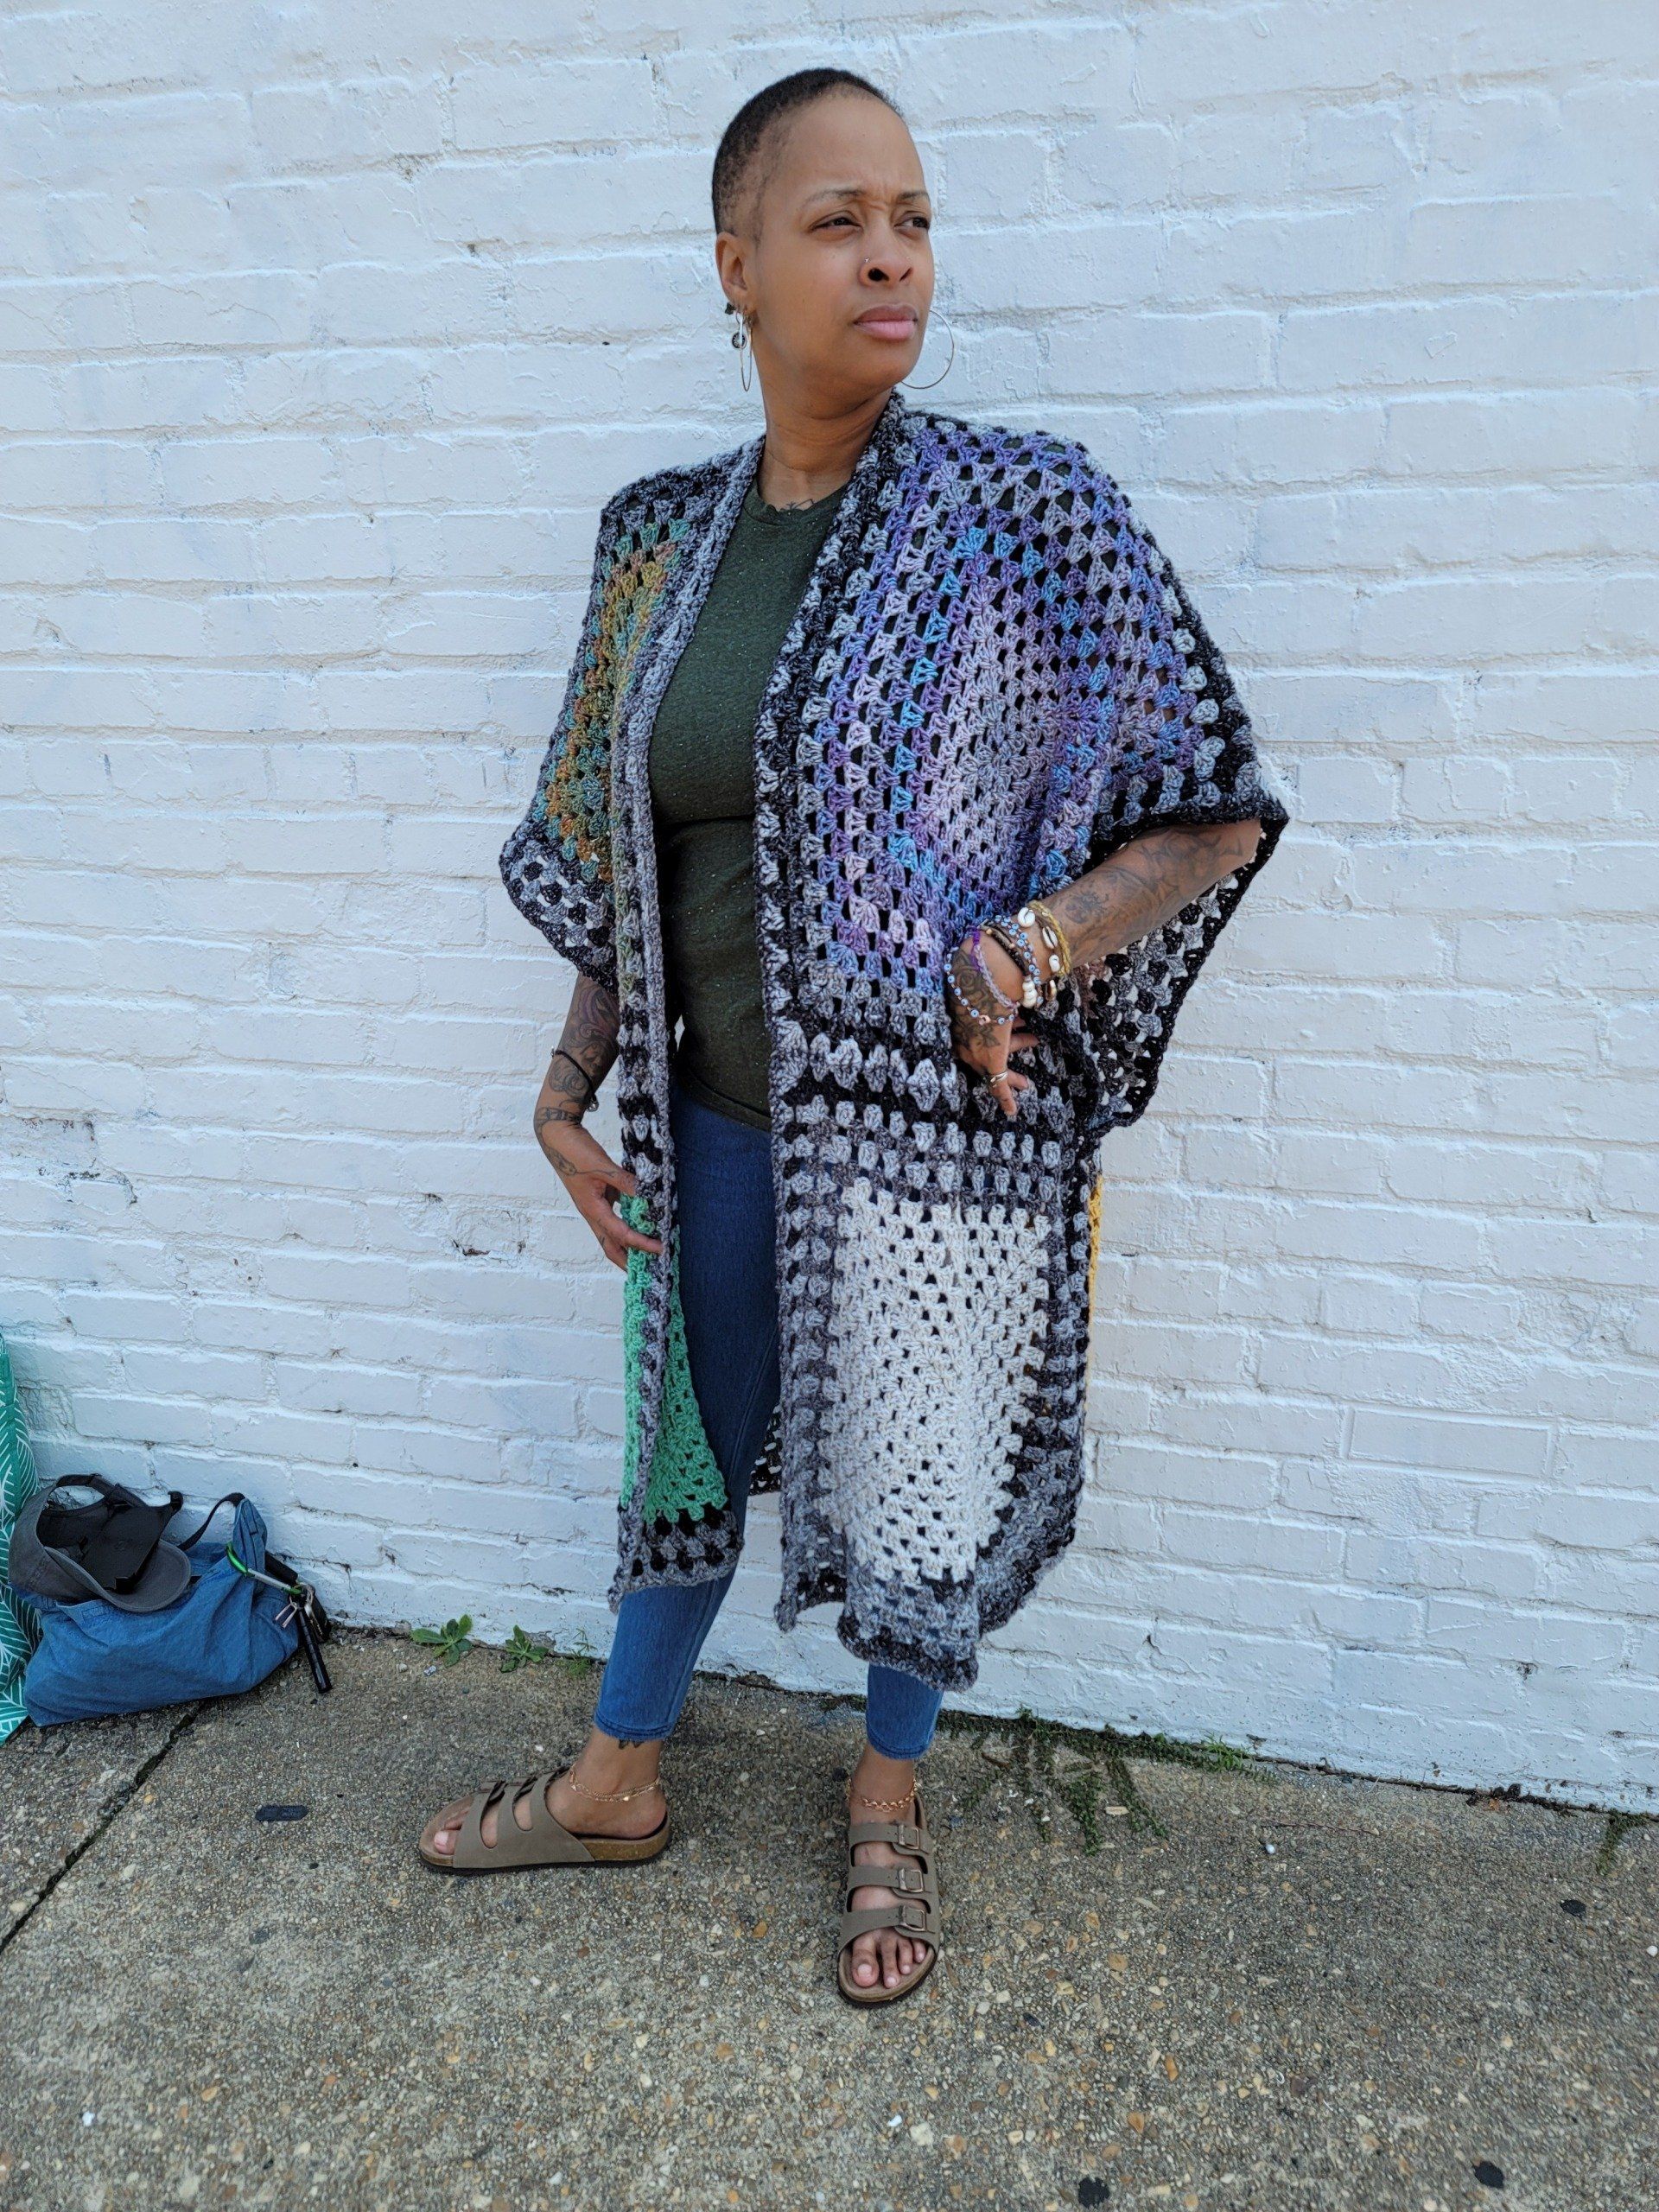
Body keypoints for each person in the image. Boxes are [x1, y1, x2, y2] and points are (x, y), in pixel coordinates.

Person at [419, 66, 1291, 2006]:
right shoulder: (656, 547)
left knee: (919, 1458)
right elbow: (610, 850)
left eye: (911, 217)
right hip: (714, 1112)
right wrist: (567, 1085)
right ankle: (619, 1774)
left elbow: (1208, 805)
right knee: (679, 1446)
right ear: (735, 266)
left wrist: (1032, 944)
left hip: (937, 1138)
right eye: (836, 220)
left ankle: (889, 1795)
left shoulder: (1021, 517)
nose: (889, 254)